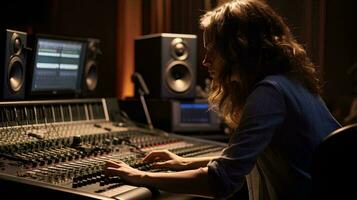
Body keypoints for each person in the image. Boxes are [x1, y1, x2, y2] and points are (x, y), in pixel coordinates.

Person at [105, 0, 341, 199]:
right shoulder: (292, 82)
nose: (206, 61)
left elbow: (220, 181)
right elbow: (245, 157)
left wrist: (140, 176)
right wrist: (184, 162)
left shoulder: (270, 92)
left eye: (212, 50)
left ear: (239, 48)